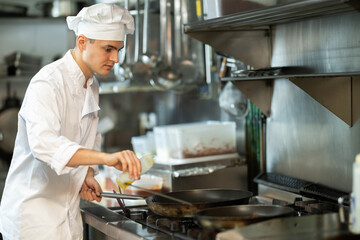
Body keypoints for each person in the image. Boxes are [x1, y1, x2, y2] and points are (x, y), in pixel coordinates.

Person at [0, 3, 141, 240]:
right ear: (82, 42)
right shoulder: (48, 82)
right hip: (34, 219)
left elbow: (87, 135)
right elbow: (45, 145)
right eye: (108, 49)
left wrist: (87, 174)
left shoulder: (91, 84)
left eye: (118, 49)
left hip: (67, 213)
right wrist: (107, 158)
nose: (115, 58)